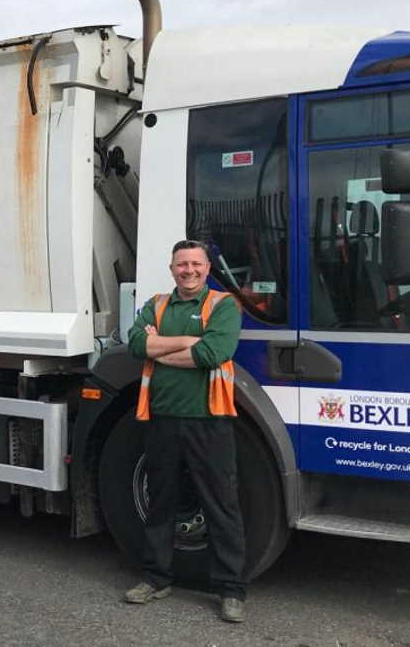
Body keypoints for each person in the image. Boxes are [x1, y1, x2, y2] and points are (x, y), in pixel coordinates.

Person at [123, 239, 248, 623]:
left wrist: (159, 350)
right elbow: (135, 345)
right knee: (161, 503)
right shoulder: (158, 304)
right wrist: (184, 342)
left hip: (208, 420)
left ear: (207, 268)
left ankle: (231, 590)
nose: (188, 270)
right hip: (162, 418)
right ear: (172, 268)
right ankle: (156, 578)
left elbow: (213, 353)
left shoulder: (223, 305)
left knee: (220, 504)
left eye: (195, 264)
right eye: (181, 264)